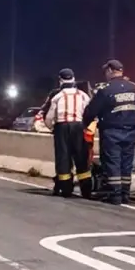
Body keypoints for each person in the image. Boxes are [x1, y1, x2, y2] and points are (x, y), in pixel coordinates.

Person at [82, 59, 135, 205]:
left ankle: (115, 195)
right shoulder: (134, 88)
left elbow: (92, 110)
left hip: (111, 131)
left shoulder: (106, 90)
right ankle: (125, 194)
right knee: (127, 163)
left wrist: (85, 124)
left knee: (113, 162)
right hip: (130, 131)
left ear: (110, 71)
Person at [44, 68, 92, 198]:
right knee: (82, 158)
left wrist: (53, 129)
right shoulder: (83, 95)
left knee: (63, 158)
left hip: (62, 127)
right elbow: (90, 112)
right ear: (73, 78)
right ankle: (86, 190)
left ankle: (66, 189)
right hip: (79, 126)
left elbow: (48, 118)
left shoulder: (57, 96)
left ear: (60, 80)